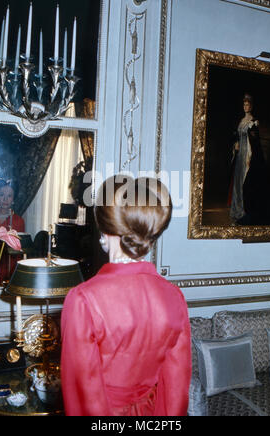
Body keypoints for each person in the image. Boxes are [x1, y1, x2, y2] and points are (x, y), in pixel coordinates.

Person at [61, 176, 192, 416]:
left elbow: (83, 394)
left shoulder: (83, 299)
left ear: (103, 228)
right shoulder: (175, 297)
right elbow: (176, 390)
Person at [229, 94, 265, 224]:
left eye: (248, 104)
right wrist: (236, 144)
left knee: (245, 183)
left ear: (252, 106)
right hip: (239, 156)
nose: (246, 106)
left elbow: (255, 143)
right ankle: (237, 211)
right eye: (244, 104)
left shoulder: (253, 122)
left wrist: (250, 157)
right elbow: (237, 137)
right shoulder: (241, 121)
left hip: (247, 156)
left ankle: (244, 213)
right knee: (237, 183)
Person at [0, 179, 25, 284]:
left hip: (10, 271)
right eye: (1, 194)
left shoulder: (19, 221)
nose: (5, 199)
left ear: (13, 199)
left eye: (9, 196)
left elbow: (19, 252)